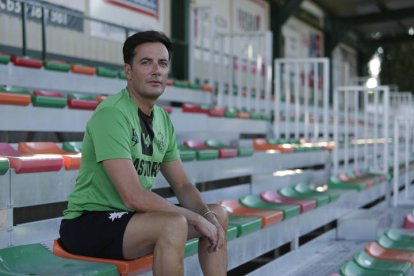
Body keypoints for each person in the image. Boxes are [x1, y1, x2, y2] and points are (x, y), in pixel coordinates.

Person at [59, 30, 228, 276]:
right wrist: (194, 219)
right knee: (173, 225)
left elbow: (182, 184)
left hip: (132, 220)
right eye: (146, 63)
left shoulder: (162, 119)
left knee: (218, 215)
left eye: (162, 63)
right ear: (129, 71)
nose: (156, 70)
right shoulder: (112, 114)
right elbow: (133, 196)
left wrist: (206, 215)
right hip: (90, 222)